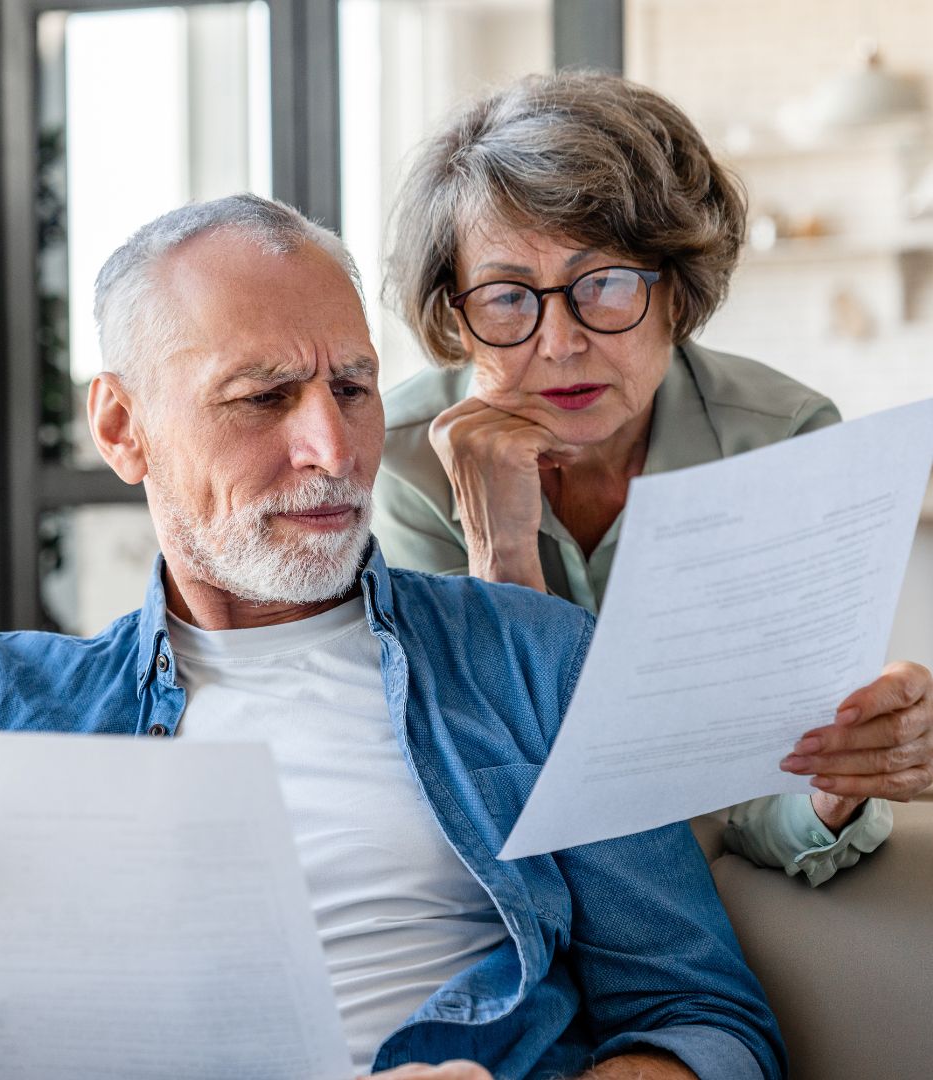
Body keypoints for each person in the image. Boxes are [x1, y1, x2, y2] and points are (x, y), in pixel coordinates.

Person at [0, 195, 782, 1079]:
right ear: (122, 427)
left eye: (353, 387)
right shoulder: (10, 703)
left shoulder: (535, 661)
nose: (335, 453)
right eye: (262, 398)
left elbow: (706, 1025)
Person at [374, 71, 933, 887]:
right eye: (505, 297)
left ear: (677, 290)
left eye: (602, 284)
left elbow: (758, 799)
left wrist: (837, 783)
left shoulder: (782, 445)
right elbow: (476, 793)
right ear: (455, 317)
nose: (559, 342)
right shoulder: (401, 460)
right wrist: (503, 557)